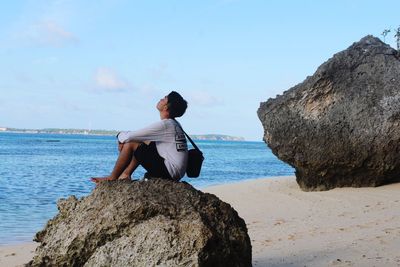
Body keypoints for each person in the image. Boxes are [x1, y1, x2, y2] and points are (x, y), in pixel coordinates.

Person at [91, 91, 188, 183]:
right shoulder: (174, 124)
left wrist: (119, 135)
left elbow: (128, 137)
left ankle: (112, 177)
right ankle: (126, 174)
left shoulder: (165, 125)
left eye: (164, 98)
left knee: (131, 143)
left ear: (166, 107)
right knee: (141, 140)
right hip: (175, 172)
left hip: (169, 172)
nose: (161, 99)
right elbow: (140, 137)